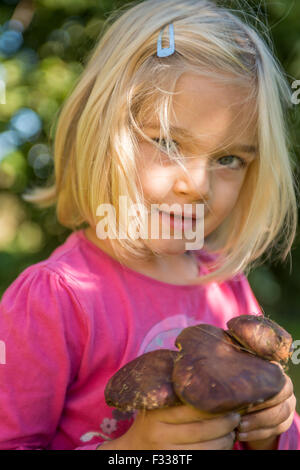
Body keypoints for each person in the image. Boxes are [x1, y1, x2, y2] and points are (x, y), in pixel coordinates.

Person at [0, 0, 299, 450]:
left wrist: (274, 428)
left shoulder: (225, 285)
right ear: (101, 131)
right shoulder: (53, 300)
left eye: (229, 158)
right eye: (168, 143)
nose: (197, 185)